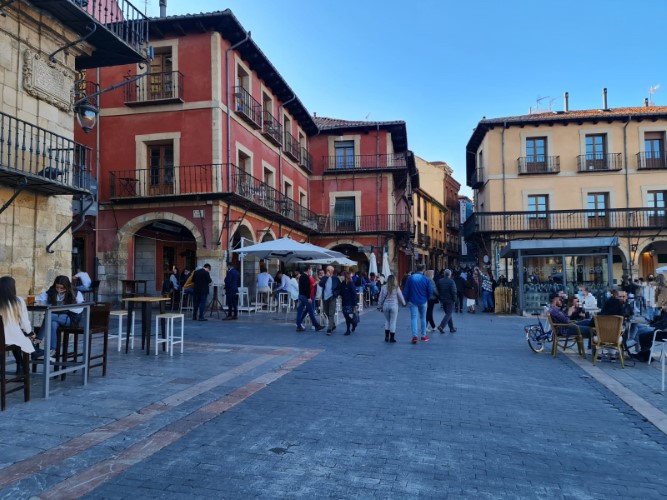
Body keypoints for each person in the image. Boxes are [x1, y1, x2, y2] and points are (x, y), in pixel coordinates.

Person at [35, 276, 84, 359]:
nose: (59, 290)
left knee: (49, 316)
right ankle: (53, 350)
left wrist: (66, 307)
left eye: (62, 288)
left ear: (67, 287)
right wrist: (43, 302)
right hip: (55, 317)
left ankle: (38, 338)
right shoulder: (51, 292)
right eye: (57, 287)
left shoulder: (75, 292)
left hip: (70, 318)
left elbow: (80, 308)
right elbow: (39, 300)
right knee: (52, 323)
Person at [0, 276, 34, 374]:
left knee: (17, 337)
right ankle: (22, 367)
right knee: (21, 338)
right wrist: (30, 333)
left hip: (3, 338)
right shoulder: (18, 301)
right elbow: (24, 322)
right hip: (10, 338)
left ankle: (21, 365)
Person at [402, 263, 432, 344]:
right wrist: (427, 298)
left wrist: (405, 300)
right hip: (423, 301)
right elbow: (430, 291)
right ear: (424, 270)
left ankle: (414, 336)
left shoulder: (410, 278)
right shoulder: (426, 279)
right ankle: (423, 336)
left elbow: (406, 290)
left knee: (413, 318)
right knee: (423, 318)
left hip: (412, 300)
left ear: (416, 269)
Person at [378, 274, 406, 343]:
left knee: (387, 321)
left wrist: (379, 305)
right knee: (393, 322)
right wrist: (404, 303)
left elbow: (380, 297)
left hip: (385, 306)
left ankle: (386, 337)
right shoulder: (396, 288)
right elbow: (400, 296)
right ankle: (392, 338)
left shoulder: (383, 287)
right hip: (394, 306)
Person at [295, 266, 324, 332]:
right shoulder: (306, 277)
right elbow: (307, 288)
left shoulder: (302, 276)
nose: (311, 271)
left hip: (301, 295)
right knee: (311, 310)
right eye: (310, 269)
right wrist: (309, 298)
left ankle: (298, 325)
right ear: (308, 270)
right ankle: (316, 325)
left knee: (300, 311)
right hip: (305, 296)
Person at [319, 266, 341, 334]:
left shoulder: (335, 278)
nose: (327, 270)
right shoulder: (324, 277)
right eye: (327, 269)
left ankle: (329, 329)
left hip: (332, 297)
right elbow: (320, 284)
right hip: (325, 297)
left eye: (329, 270)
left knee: (331, 312)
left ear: (332, 271)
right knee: (326, 312)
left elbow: (339, 288)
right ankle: (333, 325)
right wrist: (326, 277)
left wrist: (335, 294)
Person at [436, 269, 458, 334]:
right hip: (450, 300)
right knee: (449, 313)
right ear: (450, 274)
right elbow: (454, 291)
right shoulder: (451, 281)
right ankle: (441, 326)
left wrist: (439, 297)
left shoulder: (440, 281)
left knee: (448, 314)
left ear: (444, 274)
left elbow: (436, 289)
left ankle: (451, 328)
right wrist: (455, 299)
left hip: (443, 299)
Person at [339, 271, 359, 335]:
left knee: (348, 316)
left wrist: (355, 304)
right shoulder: (342, 283)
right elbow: (341, 292)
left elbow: (354, 294)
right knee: (346, 316)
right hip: (344, 302)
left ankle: (348, 329)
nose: (341, 277)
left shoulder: (351, 284)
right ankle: (353, 324)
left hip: (350, 303)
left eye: (342, 275)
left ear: (345, 276)